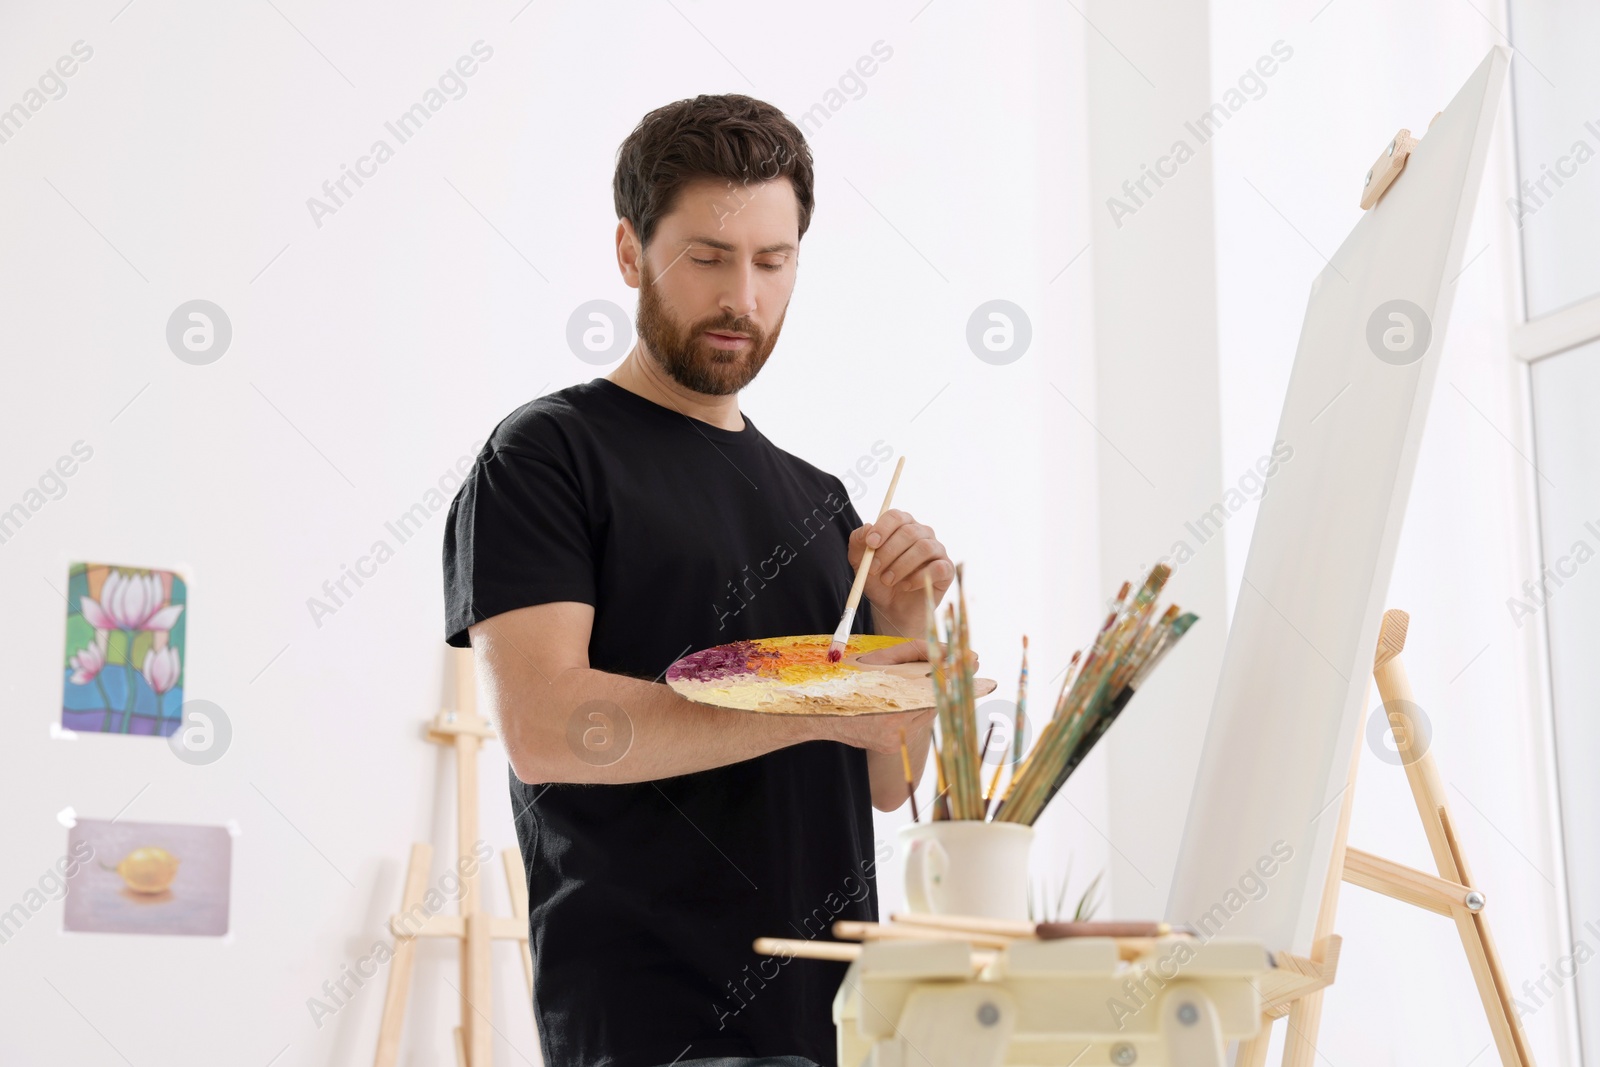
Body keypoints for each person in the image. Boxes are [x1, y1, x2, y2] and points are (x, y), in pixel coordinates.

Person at [442, 93, 959, 1067]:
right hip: (650, 1028)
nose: (744, 299)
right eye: (708, 258)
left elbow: (891, 776)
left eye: (773, 261)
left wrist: (904, 625)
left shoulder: (821, 498)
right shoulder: (548, 454)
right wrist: (812, 696)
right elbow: (548, 727)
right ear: (631, 253)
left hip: (841, 1023)